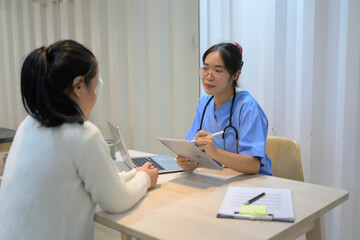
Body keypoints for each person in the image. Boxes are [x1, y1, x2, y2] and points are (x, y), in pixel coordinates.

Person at [0, 40, 158, 240]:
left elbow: (90, 183)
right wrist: (145, 179)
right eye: (95, 82)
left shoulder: (29, 125)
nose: (97, 91)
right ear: (79, 86)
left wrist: (134, 173)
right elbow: (116, 201)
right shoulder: (82, 135)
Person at [176, 42, 273, 176]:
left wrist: (215, 153)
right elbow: (191, 146)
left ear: (235, 75)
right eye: (205, 68)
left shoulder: (247, 107)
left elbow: (253, 165)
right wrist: (186, 161)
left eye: (218, 70)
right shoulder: (204, 102)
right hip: (218, 178)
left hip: (254, 183)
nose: (209, 77)